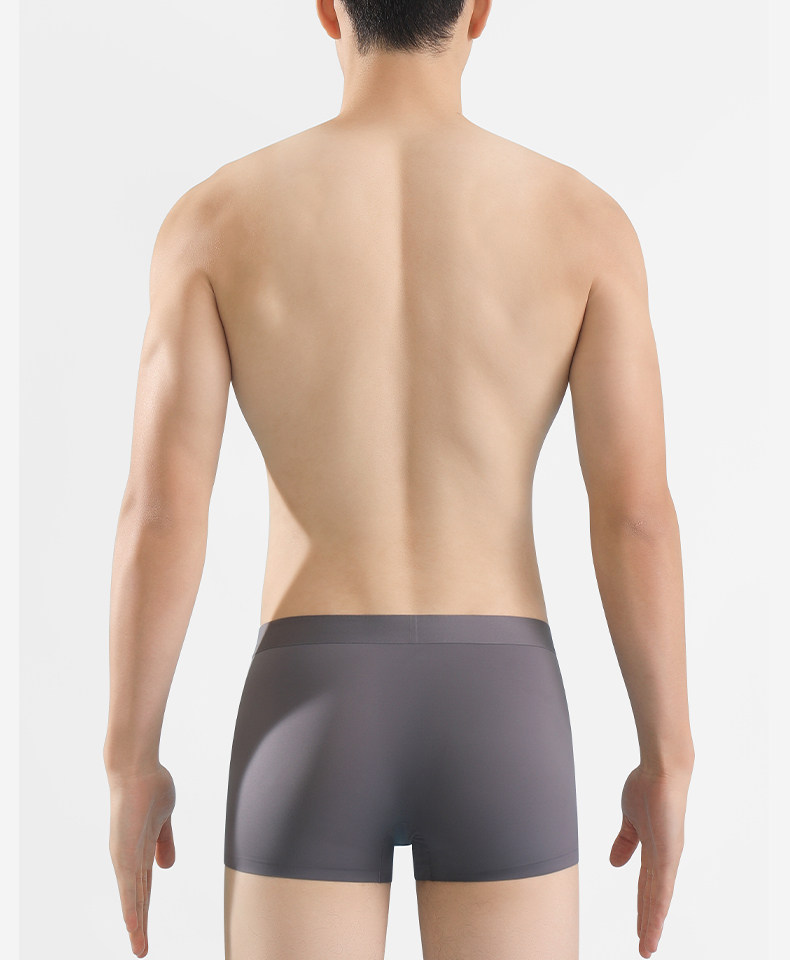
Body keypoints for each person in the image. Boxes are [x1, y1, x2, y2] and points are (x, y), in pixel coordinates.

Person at [102, 1, 695, 958]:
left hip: (310, 699)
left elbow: (163, 512)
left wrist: (129, 759)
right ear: (480, 11)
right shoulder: (583, 222)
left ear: (327, 10)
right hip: (502, 705)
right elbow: (634, 515)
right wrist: (667, 757)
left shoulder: (216, 219)